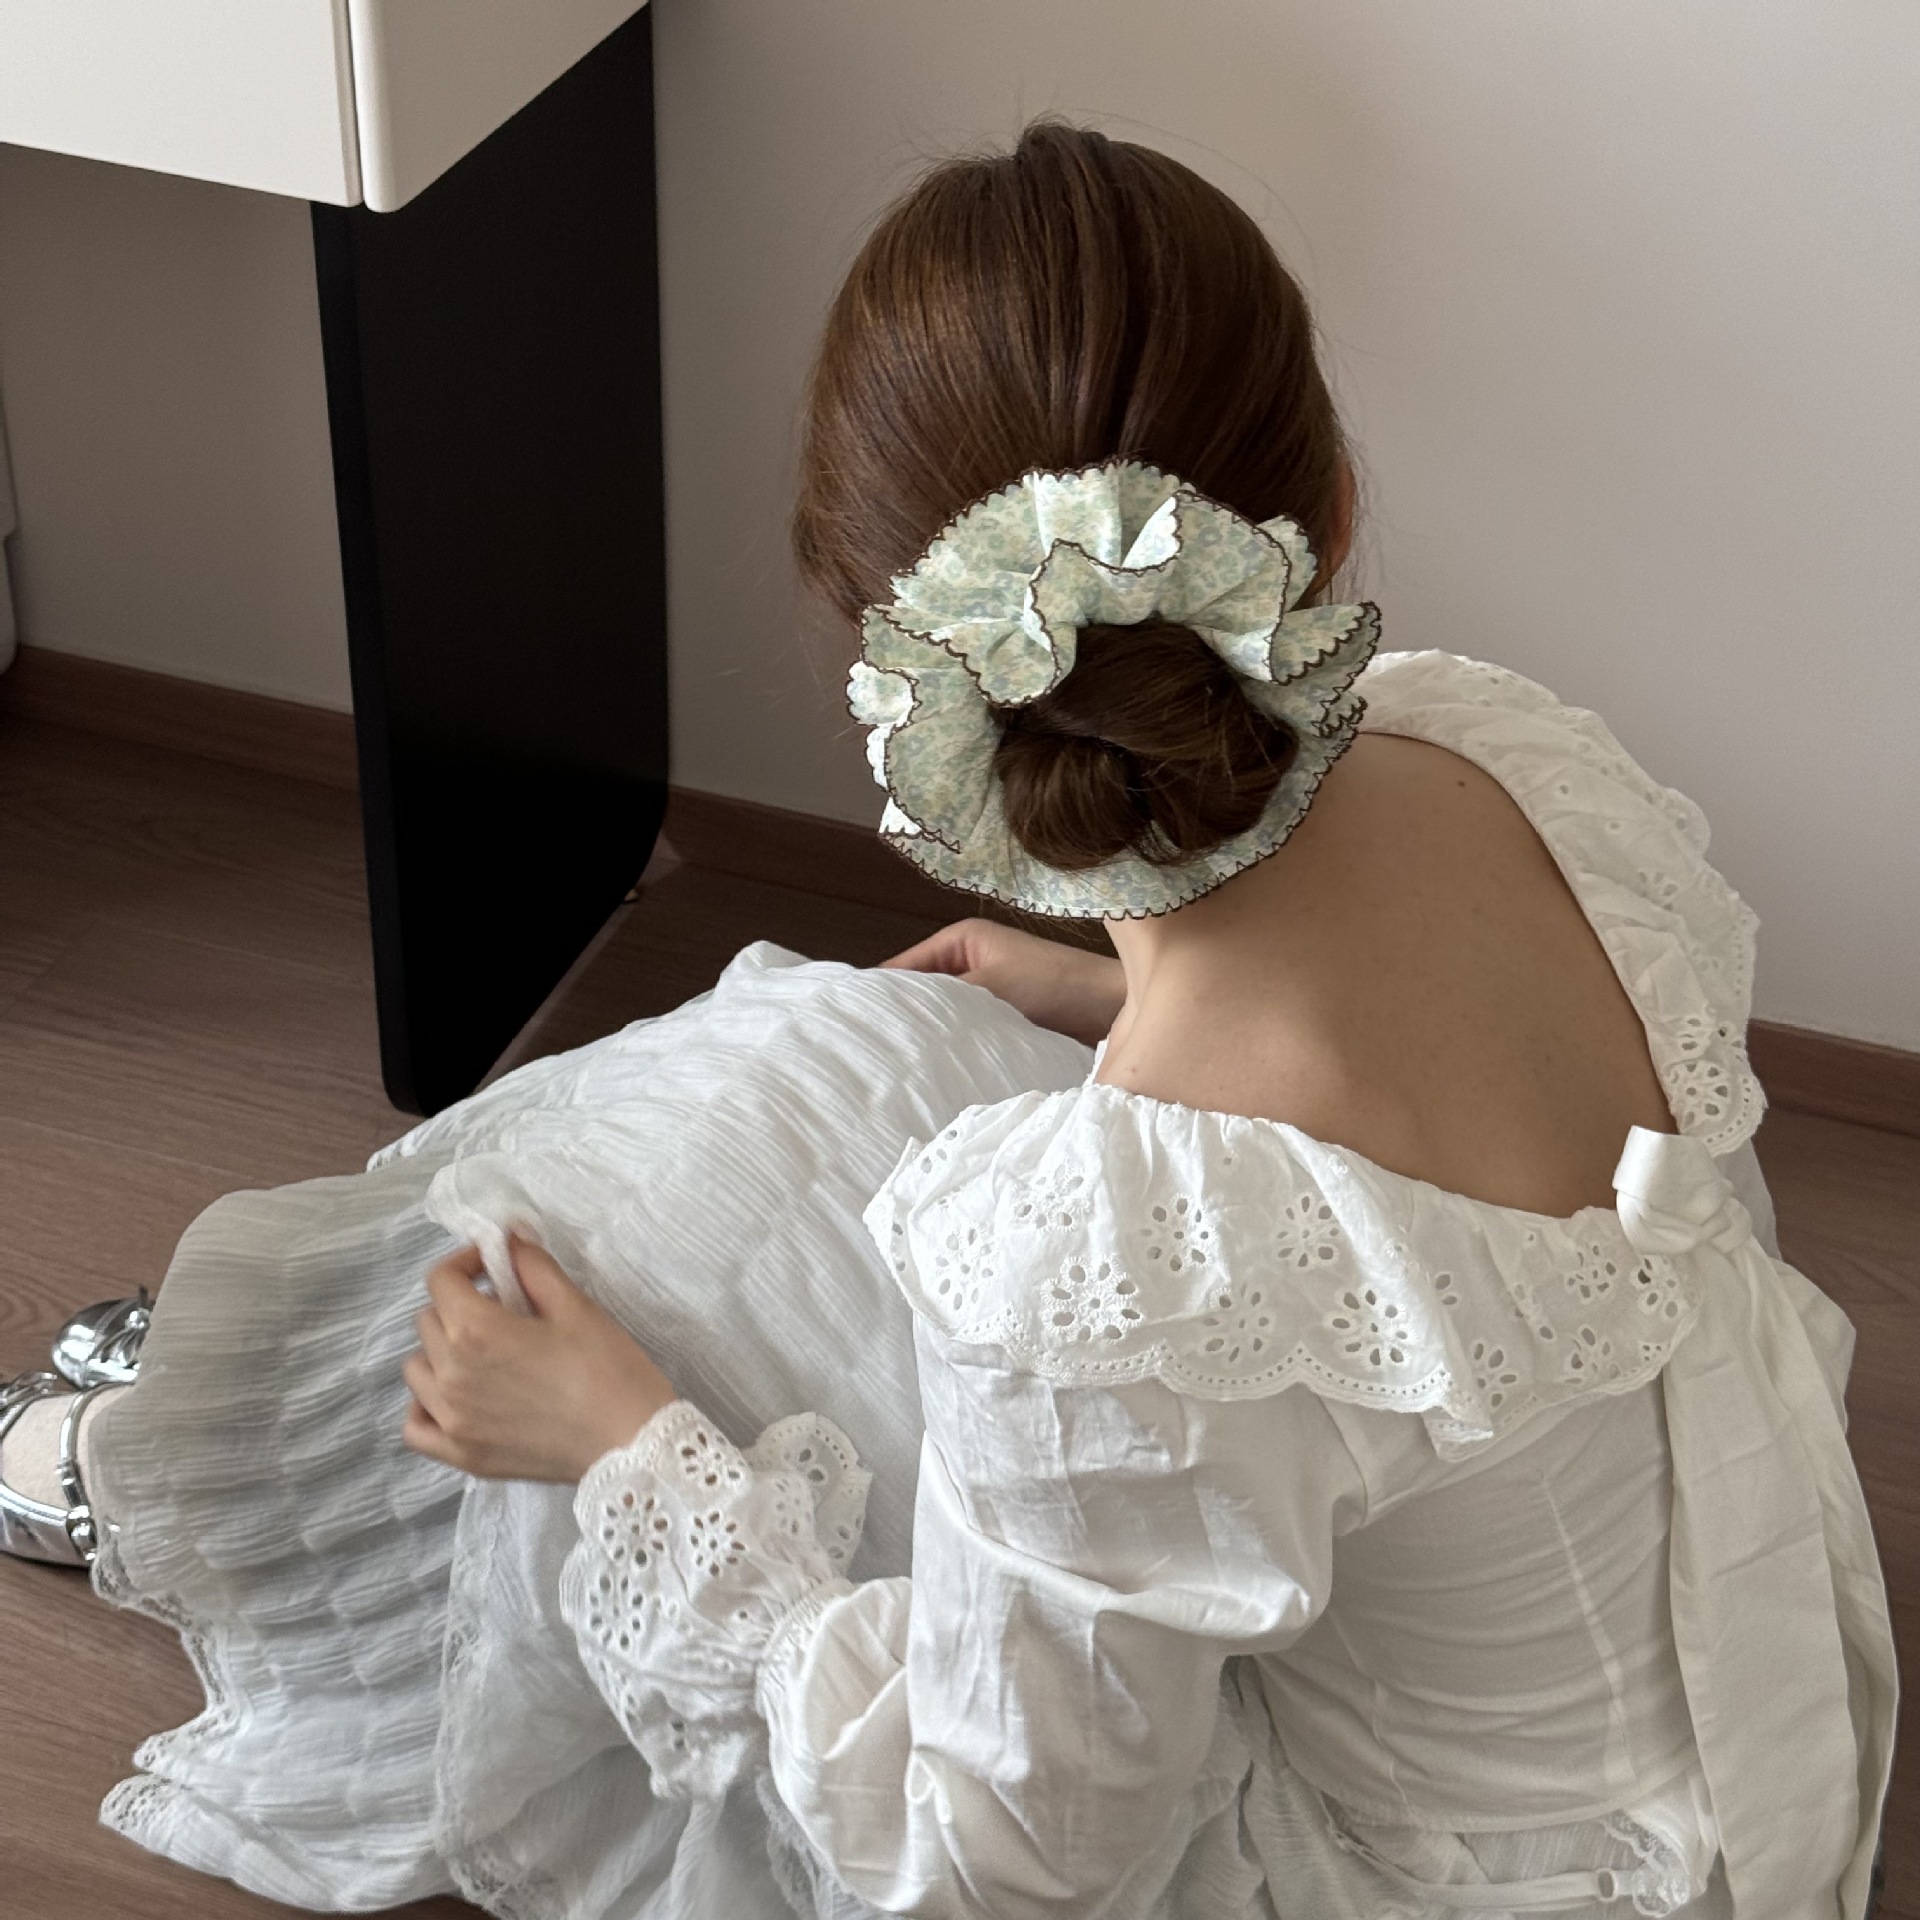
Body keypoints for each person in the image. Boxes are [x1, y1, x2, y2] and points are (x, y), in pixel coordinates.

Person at [0, 121, 1893, 1920]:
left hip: (1468, 1877)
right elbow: (1435, 1094)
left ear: (885, 656)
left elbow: (996, 1873)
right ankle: (245, 1418)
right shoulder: (1509, 761)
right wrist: (1104, 984)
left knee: (712, 1156)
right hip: (1760, 1723)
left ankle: (225, 1464)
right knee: (838, 1049)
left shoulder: (1111, 1241)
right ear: (1325, 506)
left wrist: (635, 1457)